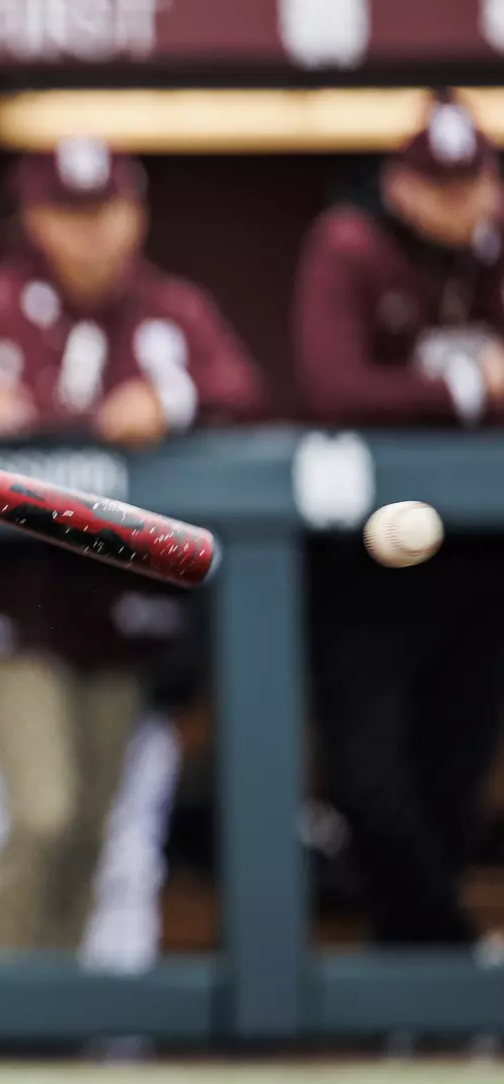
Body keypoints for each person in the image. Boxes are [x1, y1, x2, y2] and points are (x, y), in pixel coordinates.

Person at [0, 137, 260, 967]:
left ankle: (65, 1024)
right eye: (68, 213)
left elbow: (245, 395)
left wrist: (168, 402)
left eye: (105, 212)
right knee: (38, 813)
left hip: (122, 611)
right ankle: (2, 1021)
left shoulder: (174, 314)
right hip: (4, 607)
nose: (90, 234)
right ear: (32, 218)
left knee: (97, 828)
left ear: (135, 215)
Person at [296, 92, 504, 946]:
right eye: (439, 187)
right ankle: (447, 957)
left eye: (474, 184)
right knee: (369, 779)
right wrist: (469, 388)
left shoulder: (494, 254)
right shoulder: (350, 244)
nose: (459, 204)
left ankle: (415, 984)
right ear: (399, 185)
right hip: (365, 565)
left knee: (452, 776)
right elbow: (335, 386)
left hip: (481, 556)